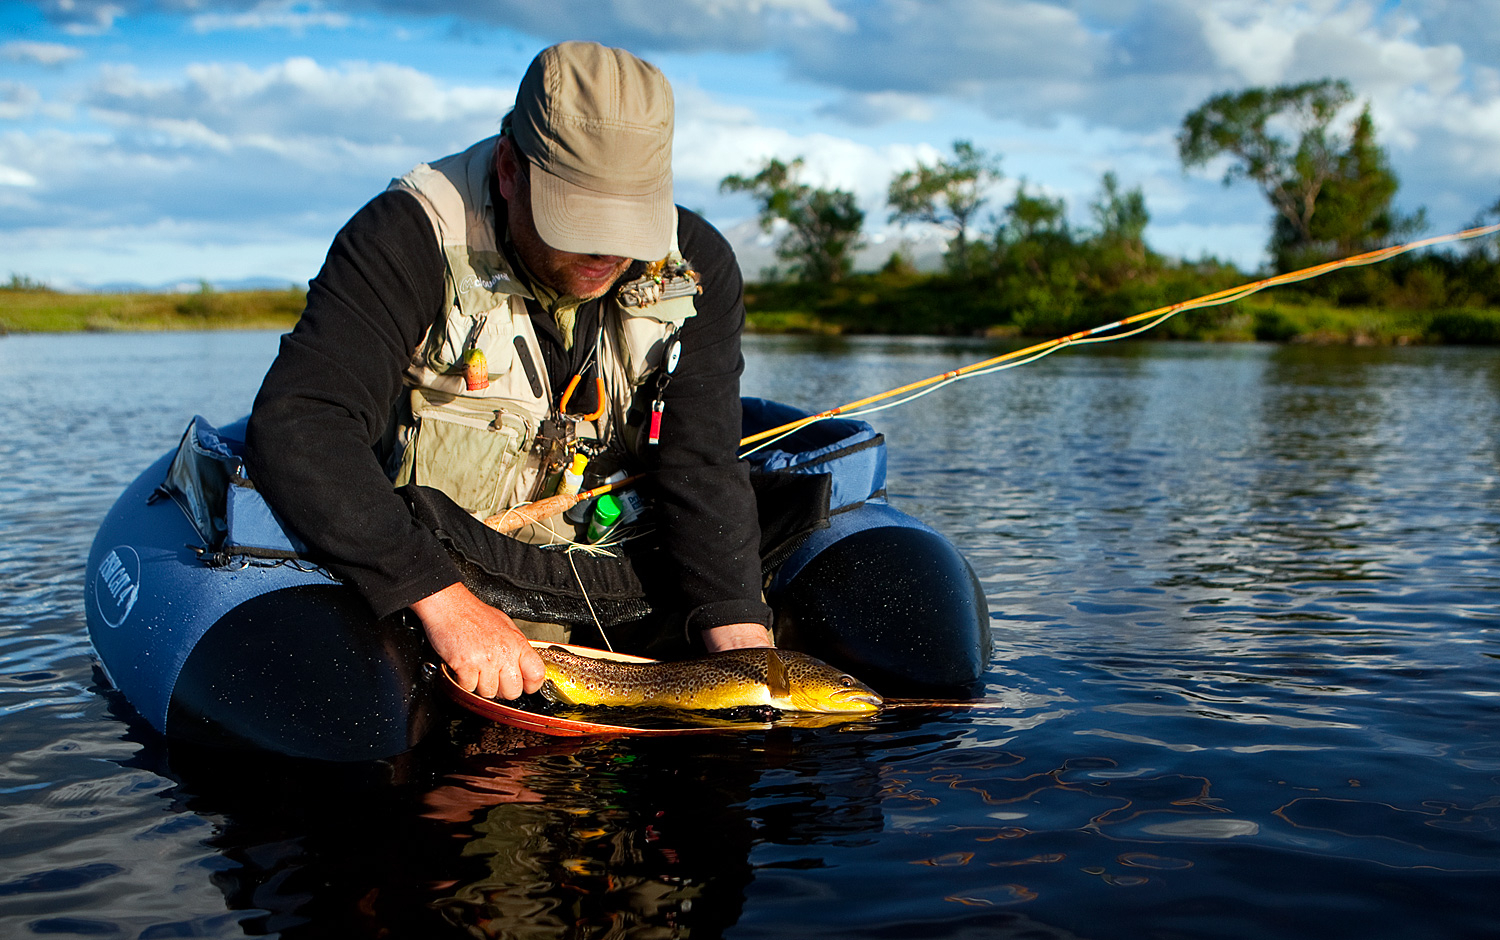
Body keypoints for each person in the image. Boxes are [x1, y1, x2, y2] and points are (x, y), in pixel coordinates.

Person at [244, 41, 773, 704]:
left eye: (628, 223)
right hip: (431, 556)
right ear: (508, 170)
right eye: (578, 220)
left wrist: (741, 638)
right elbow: (301, 423)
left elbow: (701, 462)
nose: (608, 251)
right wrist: (441, 601)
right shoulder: (406, 234)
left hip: (595, 564)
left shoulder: (696, 266)